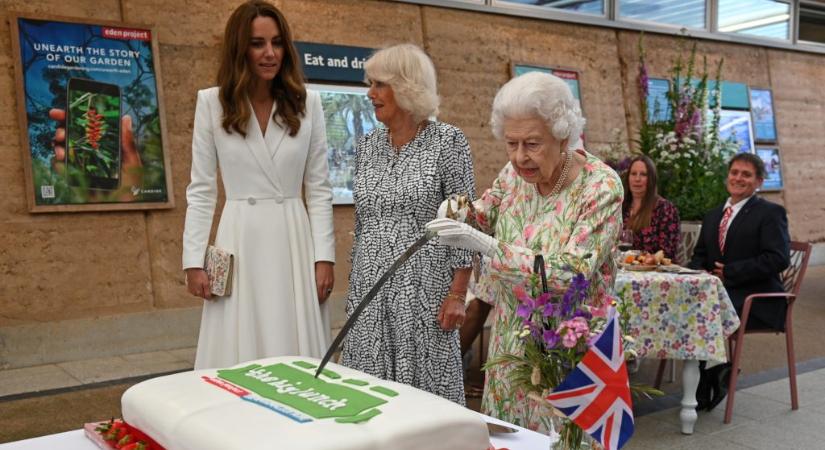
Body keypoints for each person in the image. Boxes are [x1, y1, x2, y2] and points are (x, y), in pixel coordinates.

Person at [426, 72, 623, 432]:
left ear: (563, 135)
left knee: (564, 438)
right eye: (511, 143)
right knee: (511, 437)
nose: (519, 157)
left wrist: (487, 246)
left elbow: (571, 272)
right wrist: (454, 210)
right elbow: (483, 213)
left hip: (571, 345)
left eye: (532, 144)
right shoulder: (514, 174)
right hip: (512, 342)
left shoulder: (601, 186)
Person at [182, 0, 335, 369]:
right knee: (239, 350)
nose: (270, 53)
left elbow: (318, 188)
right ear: (240, 49)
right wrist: (193, 260)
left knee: (294, 344)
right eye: (258, 43)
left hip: (293, 239)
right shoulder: (212, 104)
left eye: (278, 43)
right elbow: (201, 190)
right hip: (240, 238)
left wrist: (324, 257)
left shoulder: (307, 103)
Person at [341, 43, 475, 405]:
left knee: (425, 396)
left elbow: (463, 221)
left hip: (424, 290)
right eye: (371, 84)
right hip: (370, 287)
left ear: (407, 86)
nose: (371, 94)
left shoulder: (448, 142)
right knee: (369, 392)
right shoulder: (368, 146)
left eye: (380, 85)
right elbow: (364, 219)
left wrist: (458, 293)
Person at [689, 152, 790, 410]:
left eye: (746, 174)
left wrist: (731, 271)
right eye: (734, 172)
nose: (738, 178)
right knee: (686, 307)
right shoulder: (714, 215)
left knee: (702, 313)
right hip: (719, 296)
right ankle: (713, 371)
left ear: (759, 182)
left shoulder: (770, 213)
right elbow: (699, 256)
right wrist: (701, 271)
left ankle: (704, 383)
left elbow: (778, 258)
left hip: (757, 299)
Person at [622, 154, 681, 261]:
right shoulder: (622, 207)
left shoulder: (665, 209)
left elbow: (667, 252)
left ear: (651, 179)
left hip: (655, 273)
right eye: (633, 174)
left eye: (643, 174)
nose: (637, 179)